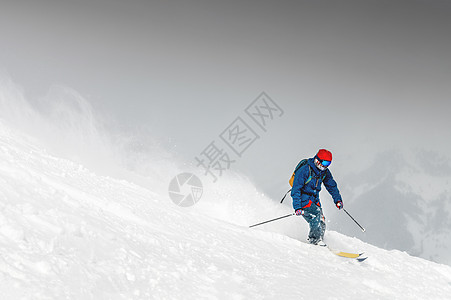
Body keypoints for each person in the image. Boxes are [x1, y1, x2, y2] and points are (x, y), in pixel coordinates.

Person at [291, 149, 343, 245]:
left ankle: (319, 240)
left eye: (329, 163)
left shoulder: (324, 172)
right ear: (317, 160)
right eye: (325, 162)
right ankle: (315, 240)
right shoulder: (305, 170)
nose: (326, 166)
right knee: (315, 215)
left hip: (314, 198)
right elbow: (296, 189)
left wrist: (337, 200)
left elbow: (331, 186)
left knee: (321, 221)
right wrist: (297, 207)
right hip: (303, 198)